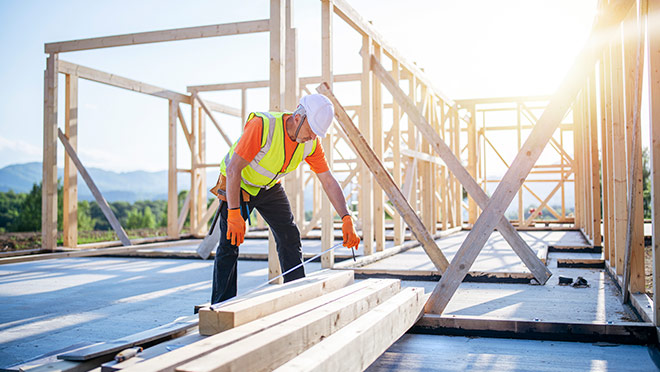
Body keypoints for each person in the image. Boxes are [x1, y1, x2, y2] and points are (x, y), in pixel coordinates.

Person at [209, 94, 361, 304]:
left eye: (317, 133)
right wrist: (234, 213)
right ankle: (221, 307)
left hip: (268, 187)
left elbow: (327, 180)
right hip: (239, 183)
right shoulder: (262, 126)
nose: (312, 137)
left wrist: (346, 217)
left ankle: (297, 296)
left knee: (289, 235)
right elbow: (234, 170)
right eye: (311, 130)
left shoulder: (311, 143)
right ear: (298, 117)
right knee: (229, 243)